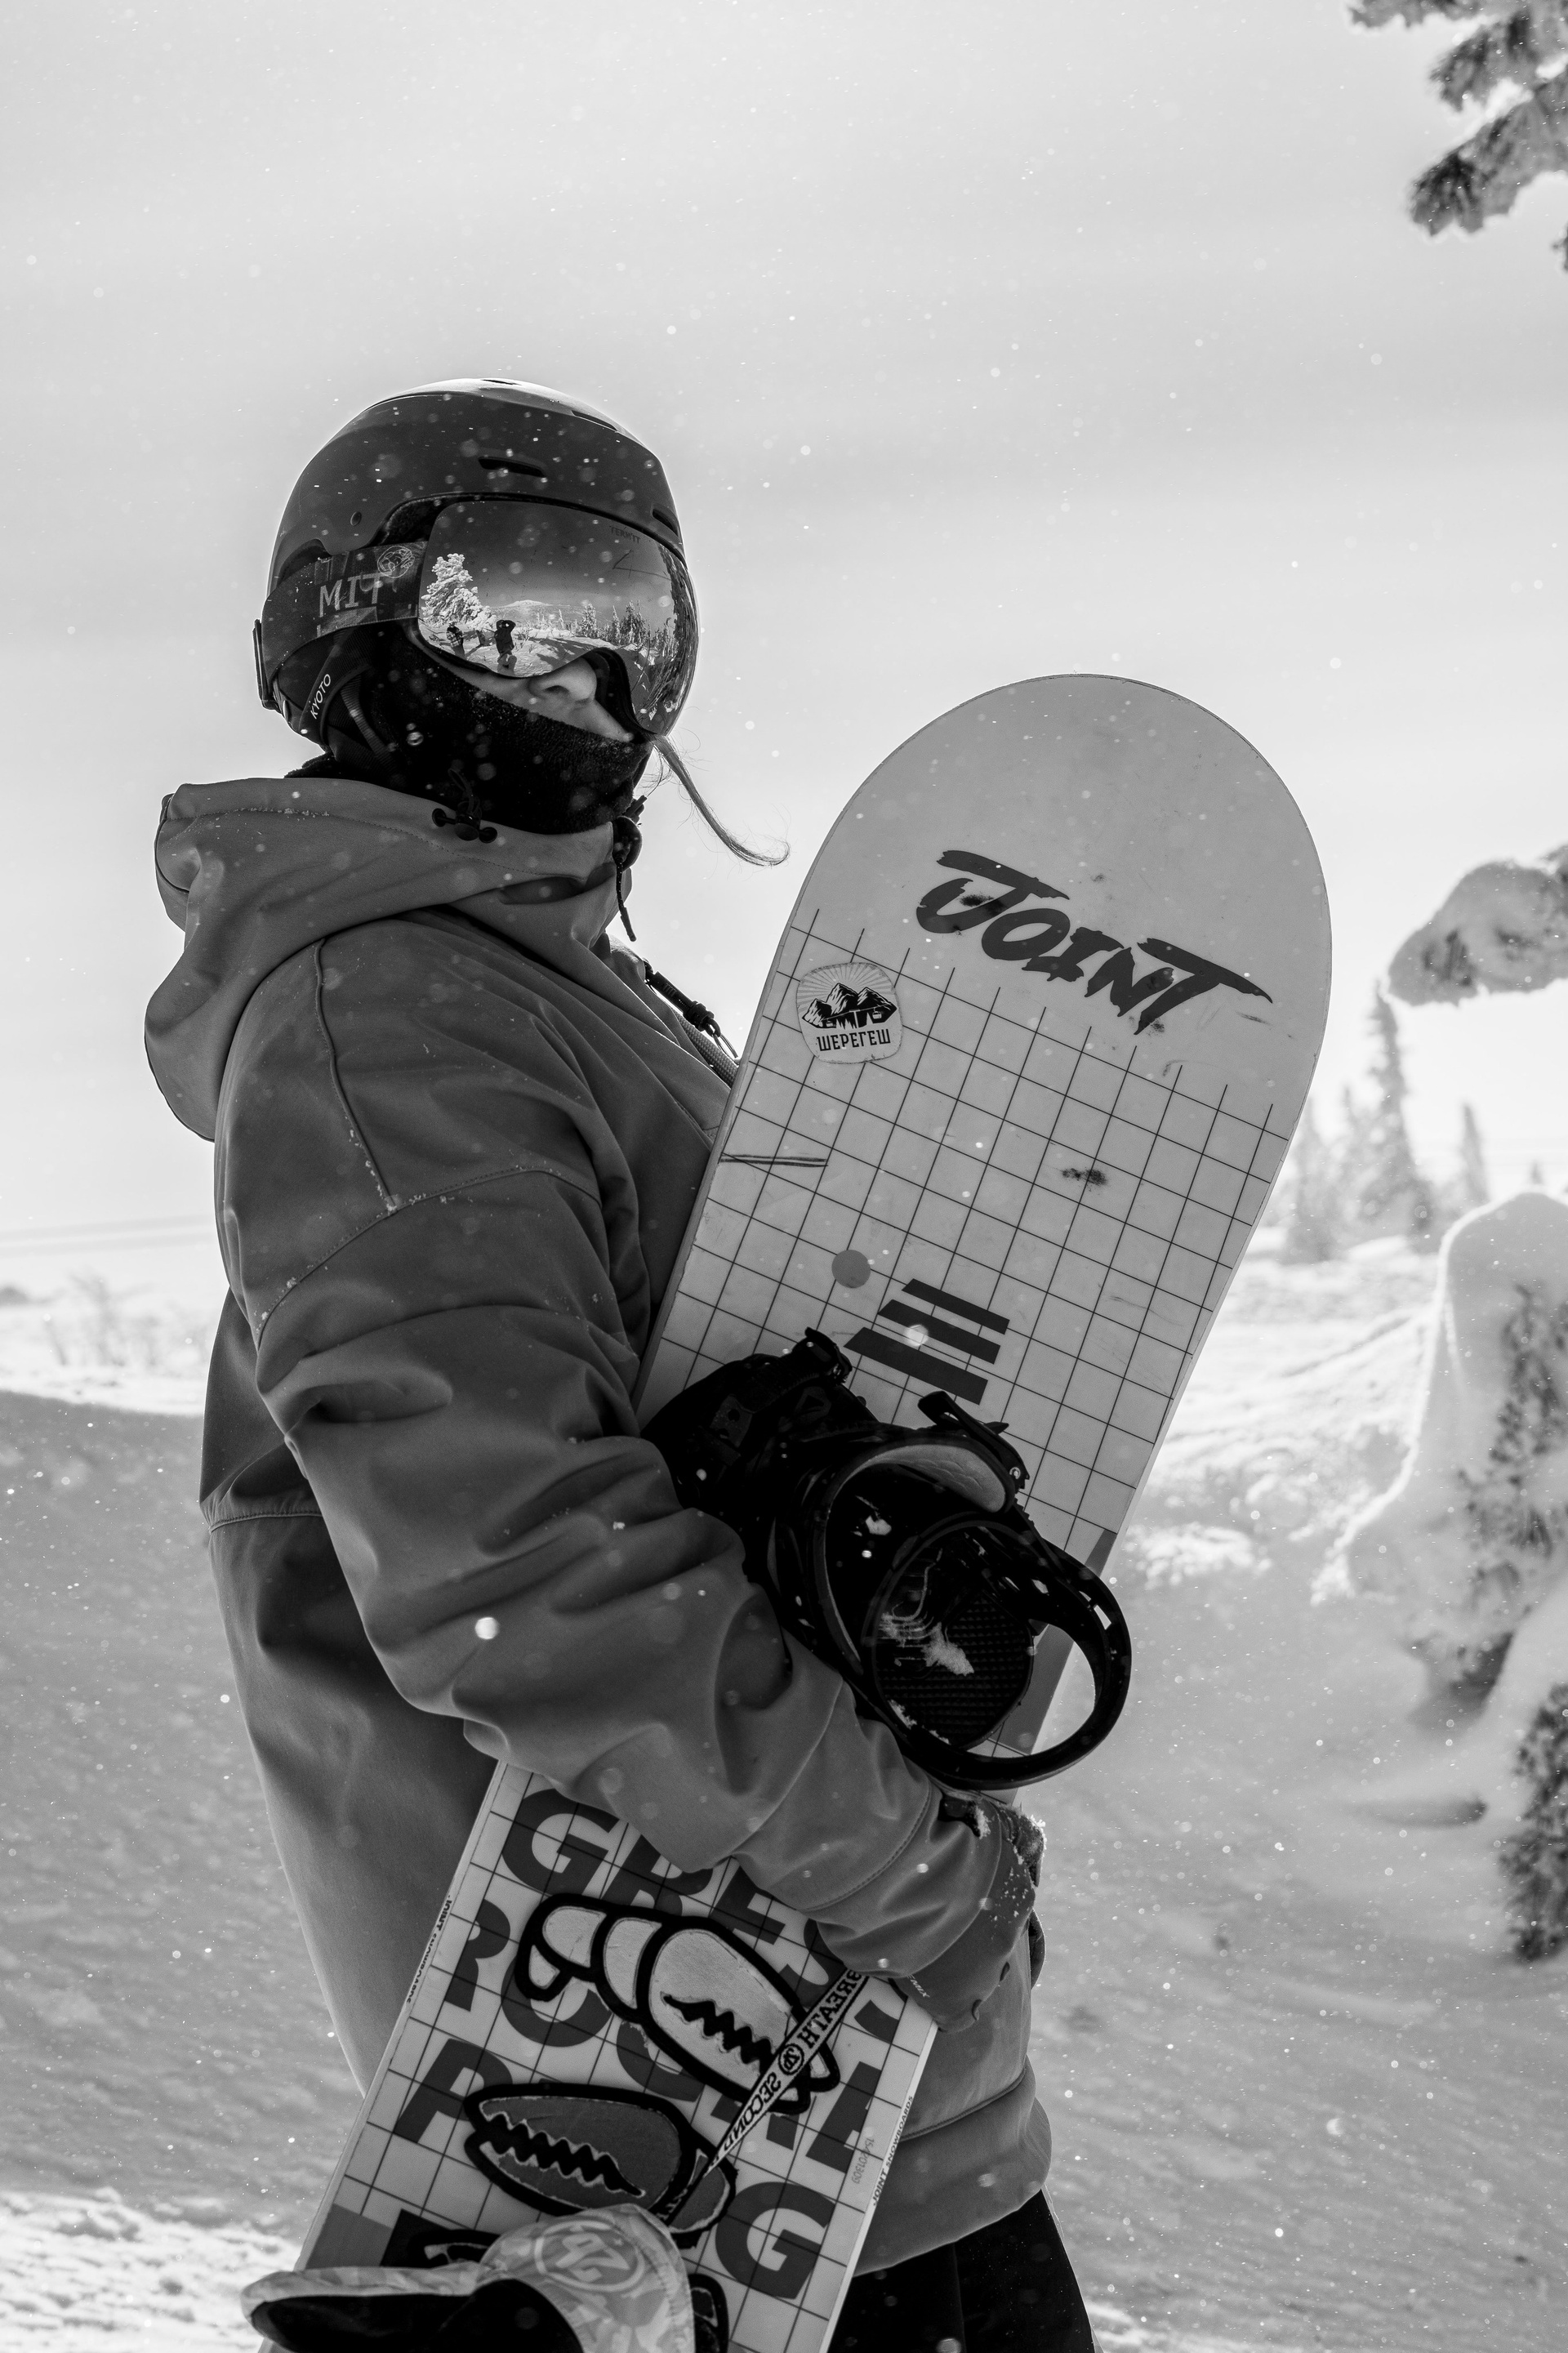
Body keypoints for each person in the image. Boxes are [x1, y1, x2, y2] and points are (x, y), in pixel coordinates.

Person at [145, 379, 1094, 2351]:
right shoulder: (394, 1009)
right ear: (358, 623)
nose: (591, 673)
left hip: (807, 2077)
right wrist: (910, 1872)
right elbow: (516, 1567)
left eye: (636, 622)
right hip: (670, 2100)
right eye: (520, 605)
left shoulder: (549, 994)